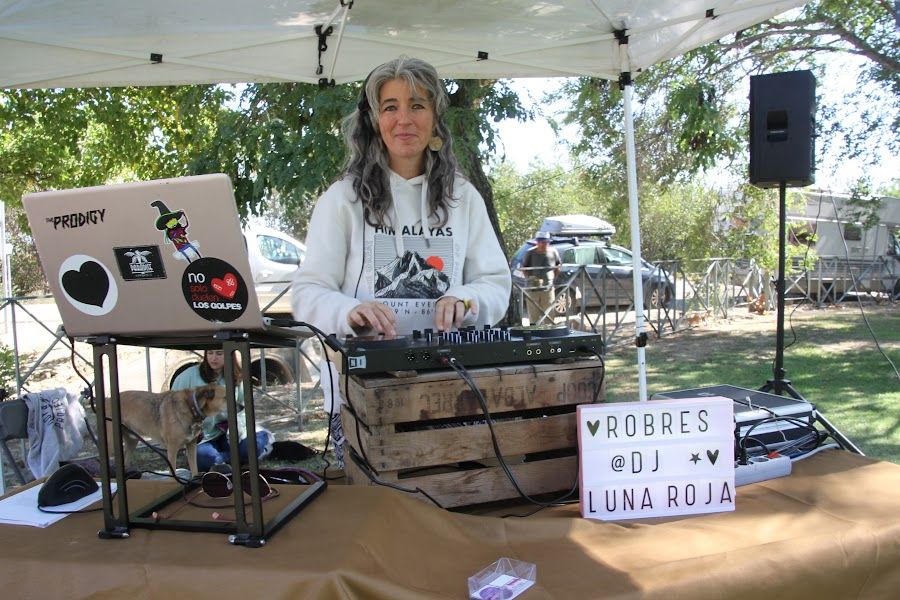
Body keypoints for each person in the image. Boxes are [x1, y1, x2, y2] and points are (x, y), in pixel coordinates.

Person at [292, 55, 512, 465]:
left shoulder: (463, 197)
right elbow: (307, 292)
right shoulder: (342, 199)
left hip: (448, 387)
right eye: (390, 107)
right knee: (376, 502)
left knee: (454, 492)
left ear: (435, 117)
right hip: (360, 391)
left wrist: (465, 298)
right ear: (374, 119)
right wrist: (349, 312)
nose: (404, 119)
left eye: (417, 105)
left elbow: (495, 283)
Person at [170, 349, 273, 473]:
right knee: (203, 458)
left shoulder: (237, 376)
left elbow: (243, 408)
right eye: (210, 353)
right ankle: (228, 459)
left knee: (251, 447)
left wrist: (237, 428)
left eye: (219, 353)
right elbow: (172, 405)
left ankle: (231, 457)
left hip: (231, 431)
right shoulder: (187, 377)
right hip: (203, 437)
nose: (214, 358)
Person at [521, 231, 562, 325]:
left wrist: (552, 280)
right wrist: (530, 279)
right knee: (533, 315)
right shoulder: (530, 253)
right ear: (537, 242)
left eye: (545, 242)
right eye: (541, 242)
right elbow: (524, 268)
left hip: (548, 288)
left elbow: (558, 266)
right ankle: (534, 330)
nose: (543, 244)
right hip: (533, 289)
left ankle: (549, 331)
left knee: (549, 314)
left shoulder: (553, 252)